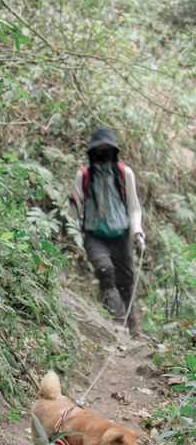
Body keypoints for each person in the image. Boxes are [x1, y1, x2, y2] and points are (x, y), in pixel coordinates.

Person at [71, 126, 145, 334]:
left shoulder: (124, 173)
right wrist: (73, 202)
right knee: (105, 272)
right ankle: (117, 325)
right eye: (99, 150)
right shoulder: (83, 176)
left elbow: (134, 207)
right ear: (92, 152)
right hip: (94, 236)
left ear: (114, 151)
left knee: (126, 282)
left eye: (107, 150)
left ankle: (133, 329)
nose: (103, 155)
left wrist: (137, 232)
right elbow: (74, 215)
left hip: (121, 235)